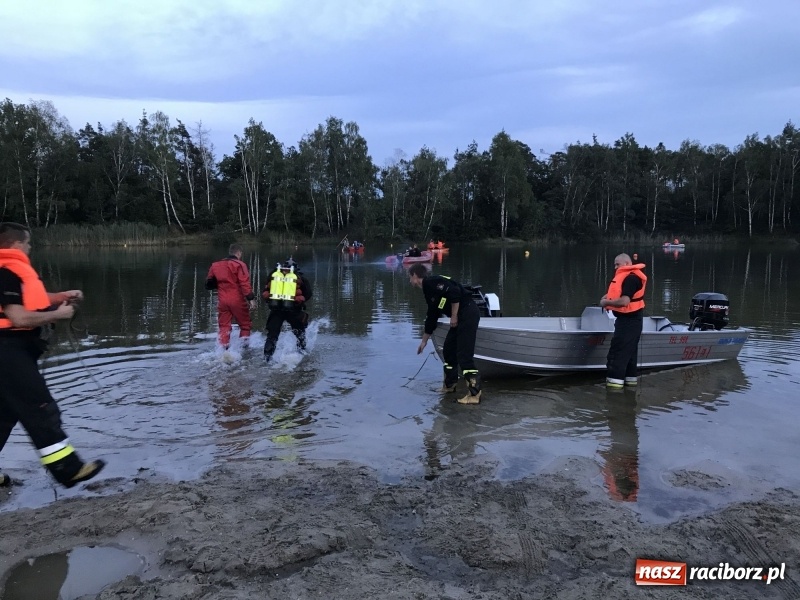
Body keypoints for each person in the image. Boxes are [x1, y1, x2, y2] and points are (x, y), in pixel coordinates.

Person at [0, 222, 105, 489]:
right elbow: (18, 316)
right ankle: (68, 470)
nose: (30, 247)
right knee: (40, 408)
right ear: (16, 244)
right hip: (7, 351)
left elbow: (27, 299)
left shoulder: (10, 271)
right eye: (28, 243)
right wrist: (57, 315)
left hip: (12, 350)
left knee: (4, 415)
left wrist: (60, 297)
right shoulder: (6, 270)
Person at [407, 263, 482, 404]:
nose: (409, 281)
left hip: (467, 313)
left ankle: (474, 394)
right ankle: (450, 385)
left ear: (415, 276)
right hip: (459, 317)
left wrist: (453, 316)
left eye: (409, 277)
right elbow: (432, 316)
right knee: (448, 350)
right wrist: (424, 341)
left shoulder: (431, 282)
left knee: (464, 355)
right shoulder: (428, 291)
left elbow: (454, 292)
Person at [600, 253, 647, 389]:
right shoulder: (627, 277)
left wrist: (605, 303)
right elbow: (617, 294)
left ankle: (613, 395)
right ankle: (629, 390)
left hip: (629, 322)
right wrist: (607, 298)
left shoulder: (631, 278)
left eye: (617, 264)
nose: (615, 267)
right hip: (629, 321)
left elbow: (624, 301)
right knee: (629, 357)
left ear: (626, 264)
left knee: (616, 357)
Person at [206, 244, 257, 349]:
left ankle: (223, 350)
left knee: (224, 326)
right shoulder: (239, 265)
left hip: (222, 300)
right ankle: (244, 348)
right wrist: (251, 299)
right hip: (237, 300)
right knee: (245, 324)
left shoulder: (215, 265)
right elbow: (244, 284)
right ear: (238, 253)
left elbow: (208, 285)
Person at [261, 258, 312, 361]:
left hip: (276, 311)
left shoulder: (274, 276)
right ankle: (302, 355)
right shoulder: (300, 278)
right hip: (294, 311)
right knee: (300, 333)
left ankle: (267, 357)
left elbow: (266, 292)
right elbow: (308, 294)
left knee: (272, 336)